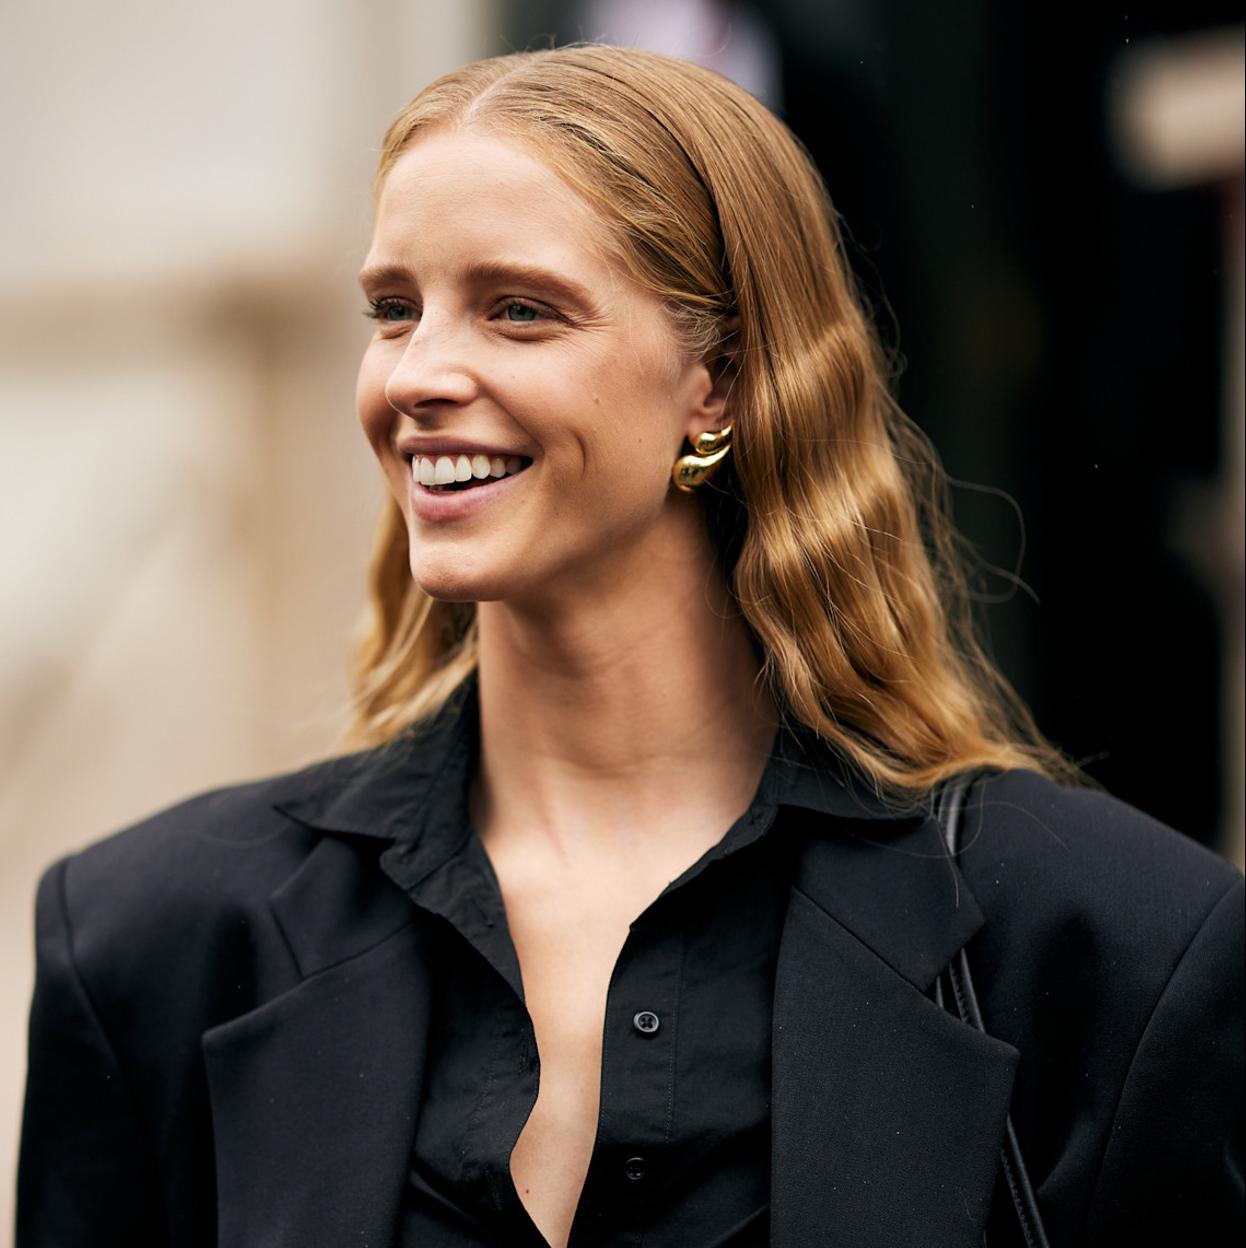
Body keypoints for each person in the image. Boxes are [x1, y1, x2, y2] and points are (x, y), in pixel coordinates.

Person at [16, 43, 1242, 1248]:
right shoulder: (149, 940)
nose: (418, 374)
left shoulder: (1114, 948)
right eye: (394, 310)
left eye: (519, 310)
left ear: (716, 381)